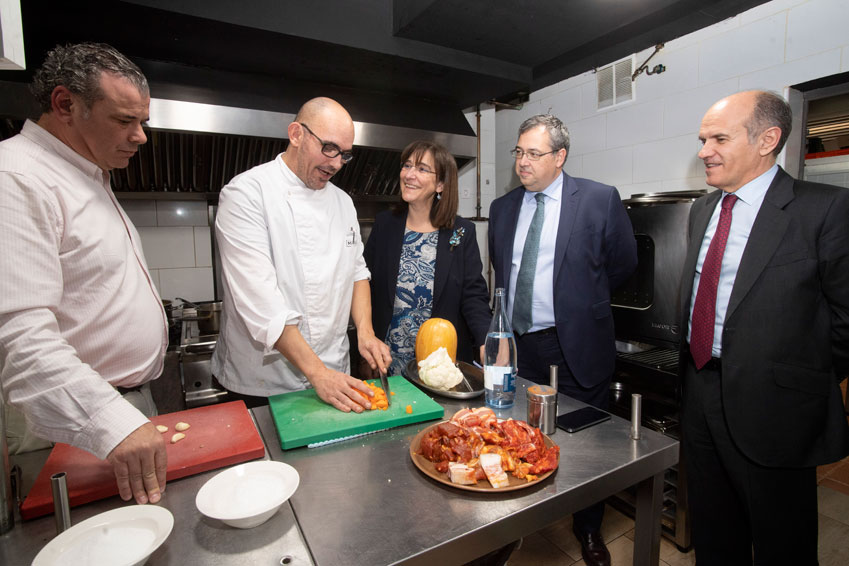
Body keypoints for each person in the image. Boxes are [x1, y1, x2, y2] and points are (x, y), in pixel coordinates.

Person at [680, 90, 849, 565]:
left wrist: (800, 379)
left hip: (776, 408)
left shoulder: (826, 209)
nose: (703, 150)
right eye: (701, 139)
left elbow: (846, 320)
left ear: (767, 140)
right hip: (699, 392)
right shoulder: (703, 210)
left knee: (783, 546)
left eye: (718, 138)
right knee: (714, 536)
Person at [0, 43, 168, 505]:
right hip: (69, 422)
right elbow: (20, 338)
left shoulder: (88, 176)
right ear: (65, 105)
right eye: (123, 120)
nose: (140, 137)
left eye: (143, 122)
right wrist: (112, 422)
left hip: (122, 407)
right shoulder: (17, 176)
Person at [488, 114, 637, 566]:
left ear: (560, 157)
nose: (522, 163)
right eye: (519, 152)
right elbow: (504, 275)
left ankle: (588, 529)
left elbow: (622, 265)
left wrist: (579, 305)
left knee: (586, 446)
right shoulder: (503, 207)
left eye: (534, 154)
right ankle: (520, 521)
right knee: (519, 437)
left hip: (575, 345)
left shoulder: (598, 199)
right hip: (520, 348)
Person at [211, 97, 392, 412]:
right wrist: (317, 373)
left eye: (345, 154)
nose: (336, 163)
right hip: (264, 384)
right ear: (296, 134)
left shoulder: (343, 203)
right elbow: (263, 307)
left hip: (335, 373)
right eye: (329, 148)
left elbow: (356, 272)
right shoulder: (246, 196)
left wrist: (365, 333)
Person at [363, 140, 491, 379]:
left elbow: (474, 294)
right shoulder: (384, 225)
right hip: (387, 360)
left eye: (422, 169)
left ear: (440, 184)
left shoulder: (461, 232)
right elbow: (364, 283)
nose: (409, 175)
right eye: (407, 166)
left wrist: (487, 340)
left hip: (440, 364)